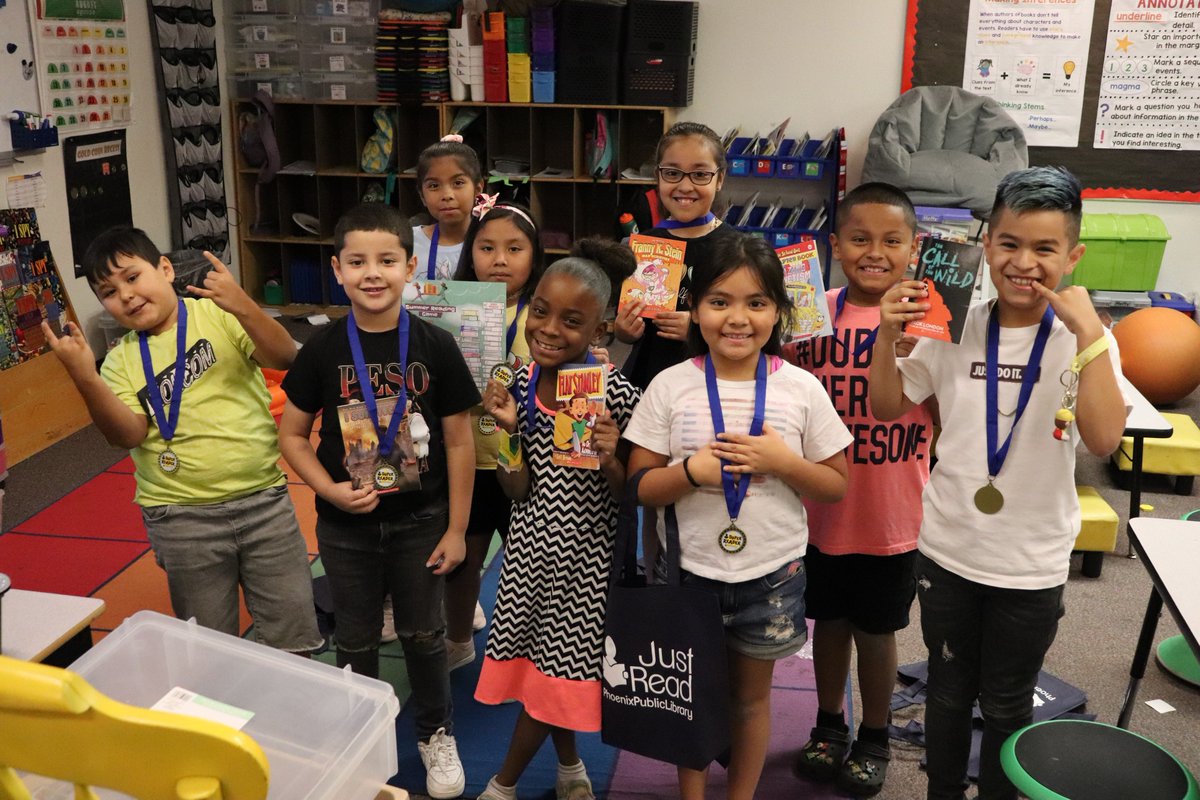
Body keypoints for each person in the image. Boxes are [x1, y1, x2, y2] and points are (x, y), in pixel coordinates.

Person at [869, 166, 1127, 800]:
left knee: (1009, 702)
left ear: (1073, 255)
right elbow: (884, 406)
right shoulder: (951, 324)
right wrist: (886, 333)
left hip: (1030, 561)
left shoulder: (1086, 341)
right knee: (949, 692)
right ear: (986, 247)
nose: (1025, 263)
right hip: (950, 549)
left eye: (1045, 249)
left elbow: (1102, 440)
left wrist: (1091, 335)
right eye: (1010, 244)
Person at [625, 232, 852, 800]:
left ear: (778, 311)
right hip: (687, 572)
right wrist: (691, 473)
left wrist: (784, 462)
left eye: (756, 303)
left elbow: (836, 485)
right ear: (695, 308)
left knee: (751, 700)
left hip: (770, 576)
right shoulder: (670, 386)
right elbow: (639, 487)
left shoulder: (800, 389)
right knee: (690, 698)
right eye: (720, 301)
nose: (737, 318)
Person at [42, 226, 322, 655]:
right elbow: (126, 435)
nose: (127, 295)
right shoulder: (120, 361)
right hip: (181, 517)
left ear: (166, 269)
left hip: (264, 501)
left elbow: (285, 358)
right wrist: (85, 375)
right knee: (208, 646)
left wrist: (243, 304)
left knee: (294, 632)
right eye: (109, 292)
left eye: (132, 277)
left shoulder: (217, 315)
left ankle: (290, 716)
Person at [278, 203, 479, 800]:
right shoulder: (320, 348)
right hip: (346, 527)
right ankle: (360, 737)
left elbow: (460, 440)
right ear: (337, 270)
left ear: (410, 267)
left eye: (387, 260)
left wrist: (458, 530)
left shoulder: (436, 345)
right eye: (358, 261)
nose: (373, 273)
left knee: (423, 633)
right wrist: (327, 488)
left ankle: (435, 731)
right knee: (357, 638)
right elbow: (291, 435)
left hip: (422, 520)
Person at [475, 239, 640, 800]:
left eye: (572, 321)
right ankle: (570, 768)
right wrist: (509, 431)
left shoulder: (614, 394)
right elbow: (516, 489)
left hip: (585, 566)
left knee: (557, 679)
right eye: (541, 311)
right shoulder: (519, 385)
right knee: (542, 680)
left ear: (600, 332)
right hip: (526, 557)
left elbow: (631, 496)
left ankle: (503, 784)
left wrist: (614, 455)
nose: (548, 328)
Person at [788, 183, 934, 797]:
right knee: (828, 621)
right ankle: (829, 723)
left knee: (878, 630)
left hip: (893, 513)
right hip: (820, 509)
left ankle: (875, 734)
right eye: (860, 238)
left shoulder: (931, 322)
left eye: (892, 240)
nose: (876, 252)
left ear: (915, 249)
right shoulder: (811, 311)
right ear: (835, 246)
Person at [443, 197, 546, 670]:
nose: (499, 259)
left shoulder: (545, 312)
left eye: (514, 248)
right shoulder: (447, 309)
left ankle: (531, 651)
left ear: (534, 255)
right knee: (463, 560)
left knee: (530, 566)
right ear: (471, 253)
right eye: (486, 248)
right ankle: (459, 640)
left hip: (528, 461)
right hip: (468, 459)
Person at [616, 121, 742, 390]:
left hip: (714, 381)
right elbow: (628, 332)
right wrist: (624, 330)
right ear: (658, 177)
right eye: (672, 173)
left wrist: (699, 331)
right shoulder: (644, 246)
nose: (685, 186)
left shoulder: (737, 250)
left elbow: (748, 325)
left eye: (700, 175)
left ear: (719, 179)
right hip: (650, 380)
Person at [413, 134, 486, 281]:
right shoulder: (408, 242)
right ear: (422, 196)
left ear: (478, 190)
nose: (447, 195)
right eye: (434, 186)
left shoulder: (491, 243)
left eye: (458, 183)